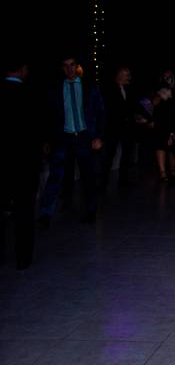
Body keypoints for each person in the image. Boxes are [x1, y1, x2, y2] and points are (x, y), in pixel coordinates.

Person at [39, 54, 106, 227]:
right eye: (65, 65)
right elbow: (48, 116)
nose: (69, 68)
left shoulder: (89, 87)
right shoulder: (55, 89)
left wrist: (98, 136)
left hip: (84, 137)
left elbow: (100, 112)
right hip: (63, 137)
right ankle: (45, 214)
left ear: (77, 66)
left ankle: (91, 210)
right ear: (62, 68)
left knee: (88, 176)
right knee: (55, 176)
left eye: (72, 64)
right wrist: (47, 139)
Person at [0, 55, 41, 268]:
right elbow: (38, 131)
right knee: (24, 211)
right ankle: (23, 259)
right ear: (24, 70)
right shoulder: (31, 95)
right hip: (25, 164)